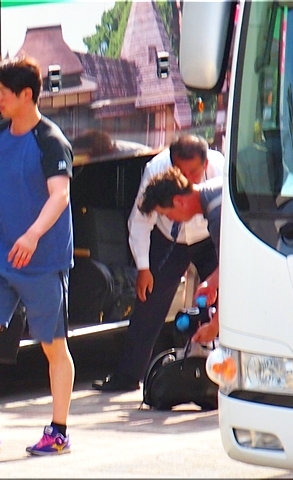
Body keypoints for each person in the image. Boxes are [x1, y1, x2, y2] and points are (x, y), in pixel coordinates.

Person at [0, 55, 75, 456]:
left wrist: (32, 236)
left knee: (53, 345)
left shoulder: (50, 140)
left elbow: (60, 195)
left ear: (26, 95)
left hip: (43, 260)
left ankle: (59, 432)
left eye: (3, 93)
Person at [93, 134, 224, 391]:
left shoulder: (220, 176)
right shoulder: (156, 170)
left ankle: (226, 371)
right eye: (180, 172)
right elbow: (140, 220)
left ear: (206, 164)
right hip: (169, 239)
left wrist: (215, 291)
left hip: (210, 237)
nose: (186, 179)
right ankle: (129, 375)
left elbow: (232, 271)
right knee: (149, 301)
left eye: (194, 172)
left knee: (226, 299)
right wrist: (143, 267)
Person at [137, 166, 222, 344]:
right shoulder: (217, 191)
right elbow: (232, 264)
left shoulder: (217, 214)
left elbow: (238, 272)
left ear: (179, 201)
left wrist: (215, 325)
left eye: (166, 214)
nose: (170, 219)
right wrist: (213, 282)